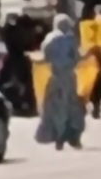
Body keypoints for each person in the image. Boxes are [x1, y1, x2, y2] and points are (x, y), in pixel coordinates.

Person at [36, 13, 86, 150]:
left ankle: (58, 138)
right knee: (73, 108)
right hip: (70, 78)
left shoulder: (50, 39)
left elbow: (45, 58)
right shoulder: (72, 39)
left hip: (55, 78)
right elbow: (77, 58)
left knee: (55, 109)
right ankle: (74, 138)